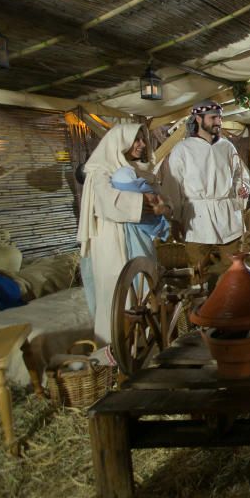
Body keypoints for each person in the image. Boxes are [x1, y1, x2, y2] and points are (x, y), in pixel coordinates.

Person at [77, 123, 171, 346]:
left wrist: (160, 203)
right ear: (120, 143)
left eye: (142, 140)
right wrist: (143, 200)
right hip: (111, 237)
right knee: (117, 290)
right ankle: (118, 346)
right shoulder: (99, 171)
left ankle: (146, 342)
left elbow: (156, 195)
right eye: (135, 140)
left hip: (136, 233)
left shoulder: (132, 169)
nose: (141, 144)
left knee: (144, 285)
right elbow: (107, 203)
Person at [160, 100, 250, 269]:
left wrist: (240, 190)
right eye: (213, 118)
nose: (219, 122)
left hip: (227, 216)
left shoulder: (227, 147)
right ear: (198, 119)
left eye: (220, 118)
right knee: (198, 270)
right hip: (197, 219)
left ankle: (228, 296)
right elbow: (173, 187)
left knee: (232, 270)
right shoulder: (182, 149)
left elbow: (240, 175)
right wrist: (175, 219)